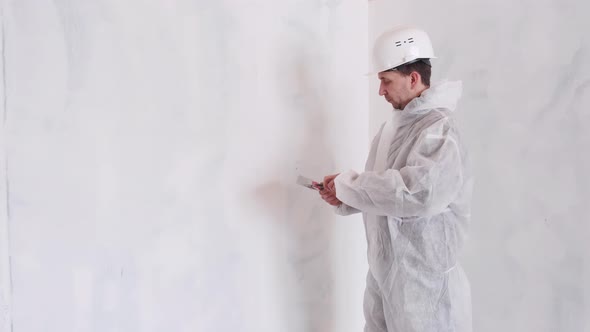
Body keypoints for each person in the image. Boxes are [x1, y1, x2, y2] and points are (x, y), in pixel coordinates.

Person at [315, 26, 473, 332]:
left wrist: (350, 185)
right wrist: (345, 196)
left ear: (413, 79)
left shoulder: (440, 132)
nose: (380, 91)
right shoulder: (390, 131)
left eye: (386, 81)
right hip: (386, 277)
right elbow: (382, 190)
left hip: (426, 288)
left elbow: (418, 194)